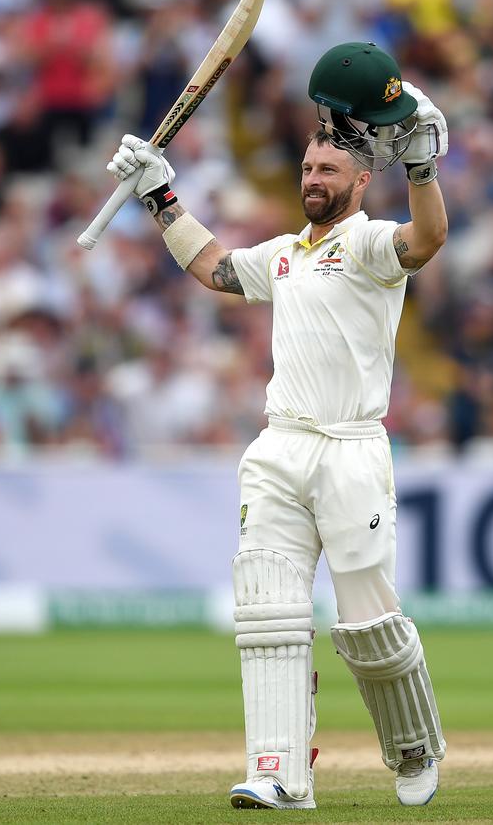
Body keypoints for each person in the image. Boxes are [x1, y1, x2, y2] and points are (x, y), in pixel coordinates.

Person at [106, 42, 448, 810]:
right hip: (280, 444)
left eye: (326, 172)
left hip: (351, 447)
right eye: (305, 170)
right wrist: (162, 197)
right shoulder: (287, 255)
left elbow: (424, 242)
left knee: (367, 628)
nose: (312, 181)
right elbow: (216, 267)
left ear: (361, 179)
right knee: (268, 610)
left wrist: (423, 169)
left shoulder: (366, 245)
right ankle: (280, 772)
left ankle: (413, 742)